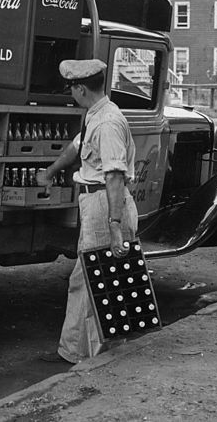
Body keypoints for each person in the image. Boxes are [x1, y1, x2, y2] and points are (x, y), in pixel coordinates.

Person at [36, 58, 138, 364]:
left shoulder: (107, 123)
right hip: (97, 201)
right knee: (88, 280)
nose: (70, 93)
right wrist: (51, 171)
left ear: (81, 88)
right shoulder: (97, 114)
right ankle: (74, 351)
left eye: (72, 88)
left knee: (103, 282)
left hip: (106, 204)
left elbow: (115, 176)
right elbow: (78, 147)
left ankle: (101, 359)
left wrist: (115, 226)